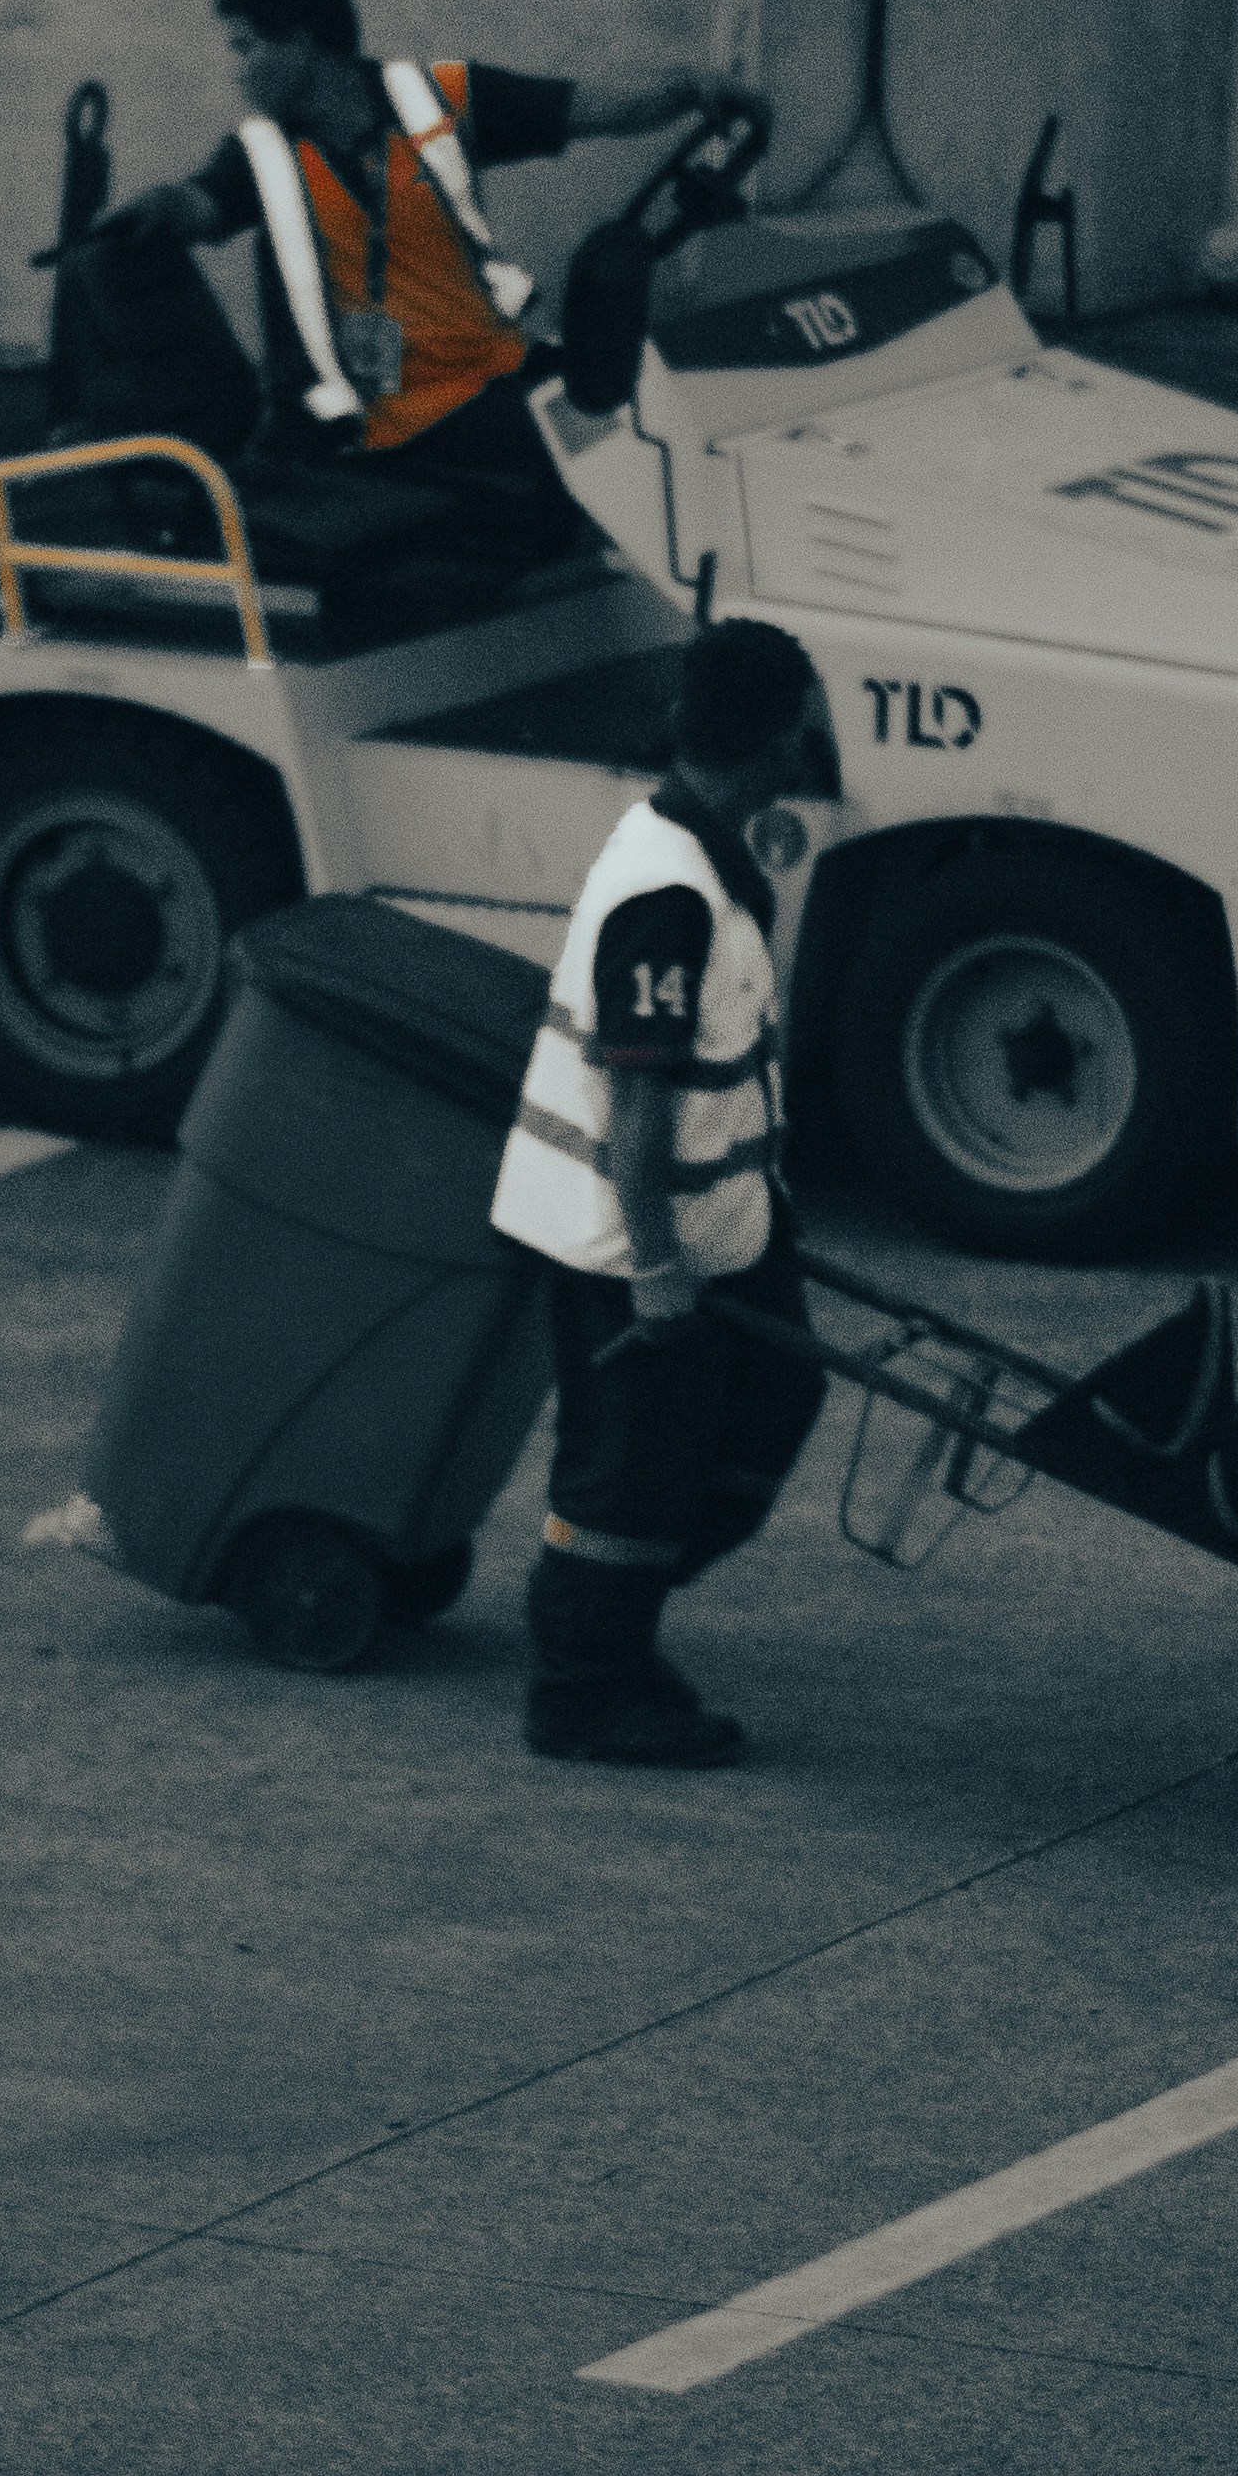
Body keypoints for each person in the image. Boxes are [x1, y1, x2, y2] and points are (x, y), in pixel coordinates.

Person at [490, 619, 840, 1770]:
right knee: (631, 1471)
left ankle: (611, 1622)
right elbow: (635, 1109)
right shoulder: (667, 895)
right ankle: (581, 1684)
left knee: (774, 1392)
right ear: (779, 737)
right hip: (632, 1241)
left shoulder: (708, 848)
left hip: (724, 1220)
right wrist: (654, 1268)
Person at [101, 0, 730, 548]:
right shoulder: (258, 153)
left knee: (642, 407)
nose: (238, 70)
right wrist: (155, 207)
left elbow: (589, 108)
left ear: (304, 42)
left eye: (248, 47)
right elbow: (200, 205)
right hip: (364, 407)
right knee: (590, 439)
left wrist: (688, 92)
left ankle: (637, 570)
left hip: (487, 370)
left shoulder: (437, 98)